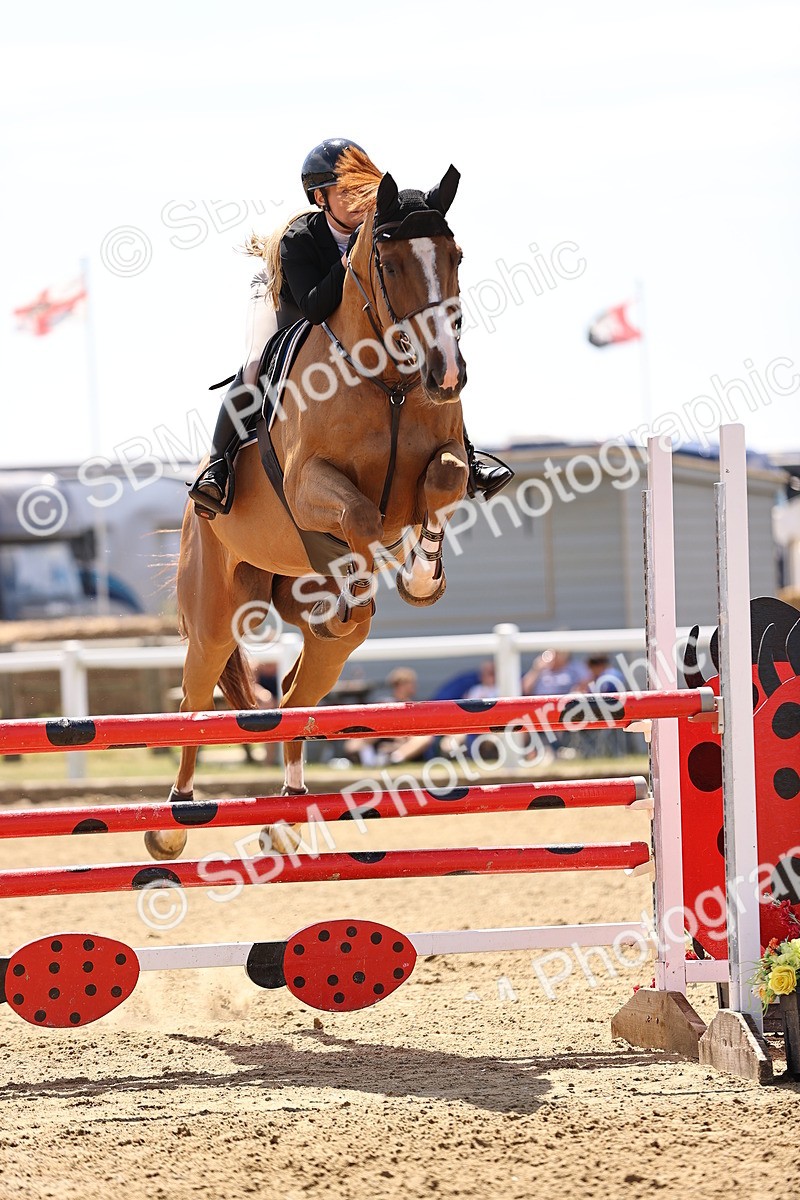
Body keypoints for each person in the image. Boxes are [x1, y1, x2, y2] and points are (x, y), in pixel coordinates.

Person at [188, 138, 514, 519]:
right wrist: (351, 259)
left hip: (346, 311)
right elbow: (313, 307)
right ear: (320, 197)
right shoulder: (301, 239)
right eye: (345, 191)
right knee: (255, 364)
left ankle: (469, 458)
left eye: (362, 189)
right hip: (287, 297)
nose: (357, 199)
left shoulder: (379, 231)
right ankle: (219, 467)